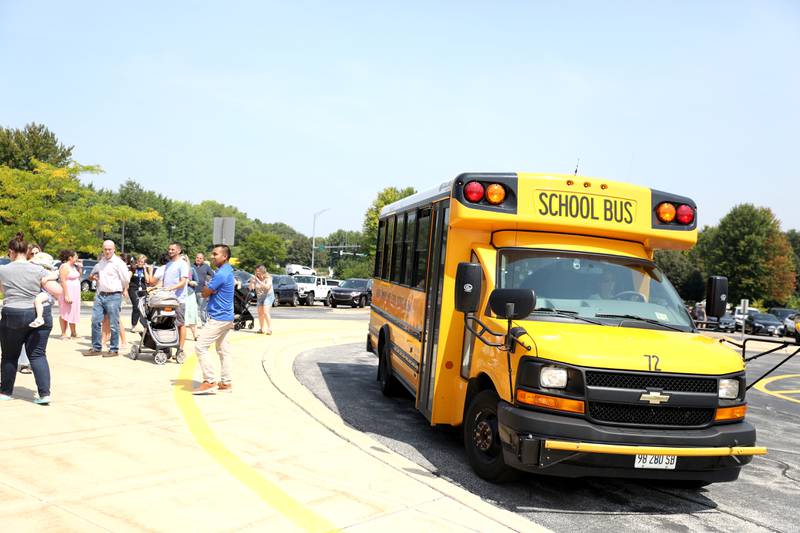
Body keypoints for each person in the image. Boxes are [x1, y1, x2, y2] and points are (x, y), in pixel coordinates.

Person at [0, 233, 61, 404]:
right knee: (38, 355)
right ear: (27, 251)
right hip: (37, 313)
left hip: (13, 314)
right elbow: (56, 291)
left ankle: (5, 392)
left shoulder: (3, 270)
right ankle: (44, 394)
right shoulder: (38, 270)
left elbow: (4, 291)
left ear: (10, 252)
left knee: (9, 356)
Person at [193, 244, 235, 395]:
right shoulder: (227, 270)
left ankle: (209, 381)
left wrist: (209, 289)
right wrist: (210, 289)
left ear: (224, 256)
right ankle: (226, 383)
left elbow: (204, 293)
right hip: (227, 317)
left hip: (218, 317)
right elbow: (209, 291)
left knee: (200, 347)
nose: (212, 257)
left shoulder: (221, 274)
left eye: (215, 254)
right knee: (224, 351)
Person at [85, 240, 129, 357]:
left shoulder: (119, 263)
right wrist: (93, 277)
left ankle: (114, 349)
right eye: (105, 249)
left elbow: (126, 279)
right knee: (95, 321)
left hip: (114, 296)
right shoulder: (101, 262)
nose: (107, 251)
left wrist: (122, 289)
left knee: (114, 324)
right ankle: (96, 347)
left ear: (114, 249)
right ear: (103, 250)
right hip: (100, 295)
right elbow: (92, 275)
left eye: (110, 249)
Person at [153, 243, 189, 359]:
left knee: (180, 324)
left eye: (173, 249)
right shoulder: (168, 265)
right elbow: (164, 282)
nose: (170, 251)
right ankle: (167, 348)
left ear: (179, 251)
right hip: (166, 300)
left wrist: (171, 288)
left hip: (178, 300)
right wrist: (156, 288)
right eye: (169, 249)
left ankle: (180, 348)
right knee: (166, 323)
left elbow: (183, 282)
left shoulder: (183, 264)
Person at [57, 249, 82, 340]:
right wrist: (66, 295)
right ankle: (63, 333)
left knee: (73, 311)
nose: (77, 258)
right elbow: (63, 280)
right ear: (70, 257)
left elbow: (79, 276)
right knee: (64, 312)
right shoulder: (64, 266)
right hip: (67, 291)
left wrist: (80, 268)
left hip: (75, 292)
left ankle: (73, 332)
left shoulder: (73, 266)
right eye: (75, 256)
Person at [249, 265, 273, 334]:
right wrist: (251, 281)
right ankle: (262, 329)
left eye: (258, 271)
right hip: (260, 296)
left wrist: (258, 280)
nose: (256, 273)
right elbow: (251, 288)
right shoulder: (255, 278)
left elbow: (267, 287)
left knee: (265, 312)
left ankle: (269, 329)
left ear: (262, 271)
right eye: (256, 271)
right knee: (260, 313)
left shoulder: (268, 278)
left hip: (268, 296)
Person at [129, 255, 149, 331]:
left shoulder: (146, 269)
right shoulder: (133, 268)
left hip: (143, 290)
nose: (140, 263)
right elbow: (128, 278)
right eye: (139, 261)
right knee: (136, 306)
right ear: (137, 261)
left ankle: (145, 326)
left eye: (142, 262)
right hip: (133, 289)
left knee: (144, 308)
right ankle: (133, 325)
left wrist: (145, 269)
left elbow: (148, 280)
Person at [193, 252, 214, 325]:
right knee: (194, 308)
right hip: (192, 291)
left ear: (203, 259)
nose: (198, 259)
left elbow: (213, 276)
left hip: (202, 291)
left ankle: (203, 322)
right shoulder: (191, 266)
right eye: (197, 257)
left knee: (202, 308)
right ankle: (195, 322)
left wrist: (209, 284)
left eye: (200, 258)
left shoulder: (206, 266)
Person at [182, 254, 199, 341]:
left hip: (190, 294)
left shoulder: (191, 270)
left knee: (192, 314)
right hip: (180, 295)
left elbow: (197, 282)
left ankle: (195, 334)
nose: (183, 261)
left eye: (184, 259)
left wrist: (190, 282)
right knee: (181, 316)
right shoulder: (177, 270)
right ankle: (181, 335)